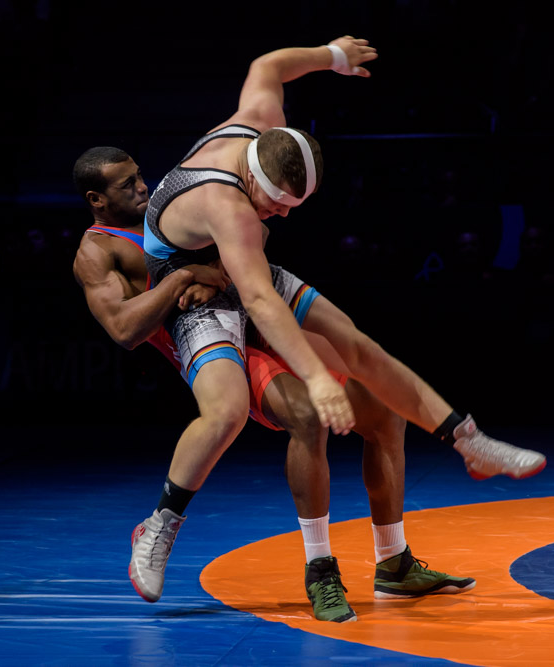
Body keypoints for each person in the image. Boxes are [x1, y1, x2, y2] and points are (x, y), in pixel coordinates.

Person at [135, 37, 546, 611]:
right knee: (226, 409)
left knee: (355, 343)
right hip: (193, 292)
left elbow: (267, 65)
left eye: (292, 205)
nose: (282, 214)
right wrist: (316, 378)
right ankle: (160, 522)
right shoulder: (227, 206)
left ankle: (468, 441)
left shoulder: (260, 124)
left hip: (237, 267)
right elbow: (260, 301)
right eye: (276, 203)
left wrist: (331, 56)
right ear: (253, 179)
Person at [73, 147, 476, 622]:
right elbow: (124, 330)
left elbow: (254, 225)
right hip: (216, 338)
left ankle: (394, 563)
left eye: (139, 175)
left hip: (257, 315)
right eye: (127, 184)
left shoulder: (170, 203)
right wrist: (183, 276)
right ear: (96, 200)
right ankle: (310, 569)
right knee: (295, 416)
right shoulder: (98, 252)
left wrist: (219, 270)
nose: (142, 186)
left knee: (383, 411)